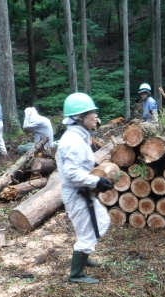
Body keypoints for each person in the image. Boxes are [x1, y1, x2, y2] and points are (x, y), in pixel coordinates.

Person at [56, 92, 112, 284]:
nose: (96, 117)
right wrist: (96, 182)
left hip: (82, 192)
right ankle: (77, 273)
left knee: (100, 221)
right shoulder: (72, 141)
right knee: (88, 230)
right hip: (77, 193)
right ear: (79, 117)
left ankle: (84, 257)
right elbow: (72, 174)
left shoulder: (79, 136)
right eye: (92, 114)